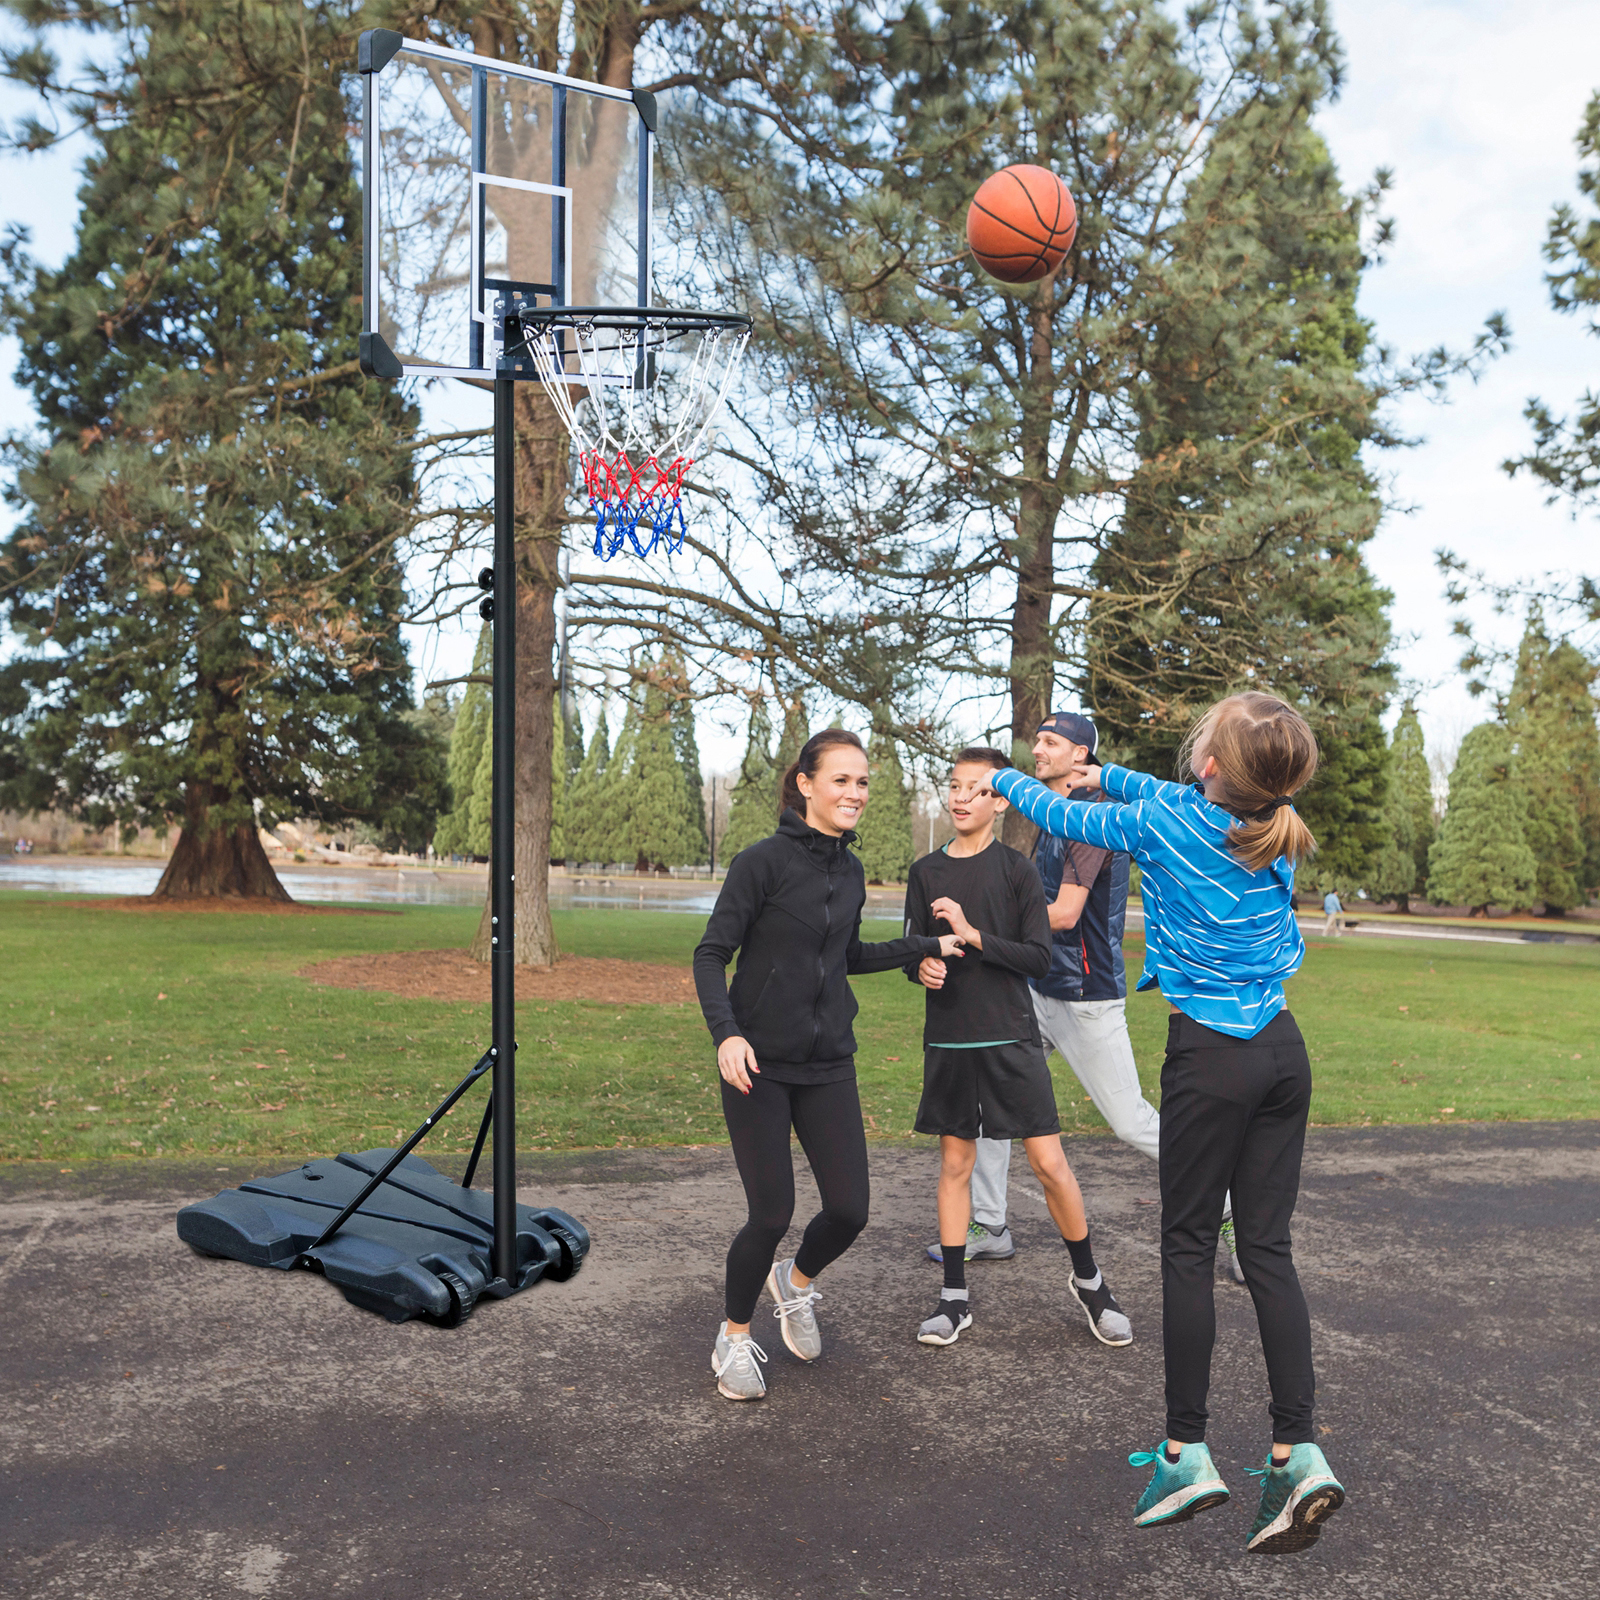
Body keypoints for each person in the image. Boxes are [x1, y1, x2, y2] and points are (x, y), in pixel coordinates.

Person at [991, 692, 1345, 1556]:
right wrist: (1102, 770)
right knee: (1267, 1252)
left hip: (1211, 1058)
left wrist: (1003, 776)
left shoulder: (1162, 826)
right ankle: (1297, 1454)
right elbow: (1159, 792)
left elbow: (1055, 813)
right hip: (1281, 1053)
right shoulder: (1267, 821)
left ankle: (1186, 1454)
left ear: (1212, 764)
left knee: (1187, 1248)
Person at [929, 711, 1245, 1287]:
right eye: (1037, 739)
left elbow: (1066, 913)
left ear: (1081, 756)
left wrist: (978, 928)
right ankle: (990, 1224)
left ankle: (1230, 1207)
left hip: (1084, 996)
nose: (1037, 748)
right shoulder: (1054, 815)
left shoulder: (1094, 818)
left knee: (1130, 1121)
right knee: (986, 1107)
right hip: (1034, 988)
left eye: (1051, 742)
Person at [692, 728, 959, 1401]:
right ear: (805, 784)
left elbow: (847, 957)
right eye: (841, 780)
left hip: (829, 1061)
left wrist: (926, 946)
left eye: (862, 782)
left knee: (849, 1209)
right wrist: (727, 1035)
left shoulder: (851, 871)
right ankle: (733, 1337)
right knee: (770, 1214)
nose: (855, 792)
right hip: (757, 1063)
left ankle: (795, 1282)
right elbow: (711, 953)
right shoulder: (761, 863)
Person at [905, 747, 1132, 1350]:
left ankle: (1091, 1285)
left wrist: (973, 935)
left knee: (1049, 1164)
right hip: (950, 1038)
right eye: (955, 786)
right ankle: (953, 1300)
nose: (961, 798)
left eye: (976, 789)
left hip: (1010, 1034)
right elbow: (914, 948)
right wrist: (922, 965)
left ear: (1001, 801)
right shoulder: (925, 871)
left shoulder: (1017, 871)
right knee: (955, 1166)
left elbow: (1036, 957)